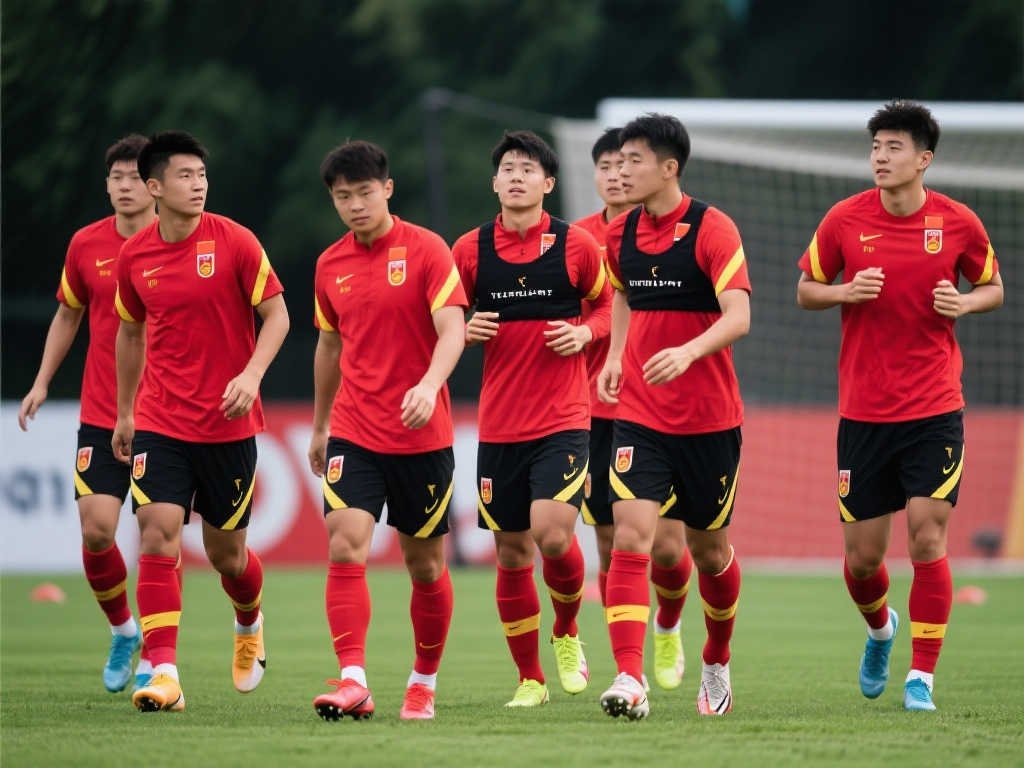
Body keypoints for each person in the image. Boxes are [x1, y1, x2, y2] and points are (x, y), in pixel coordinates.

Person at [796, 100, 1003, 712]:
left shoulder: (959, 222)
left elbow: (993, 287)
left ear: (924, 159)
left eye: (893, 148)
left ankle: (922, 678)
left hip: (935, 408)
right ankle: (881, 630)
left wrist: (965, 303)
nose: (880, 158)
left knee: (927, 537)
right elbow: (805, 289)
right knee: (862, 561)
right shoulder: (844, 218)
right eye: (876, 147)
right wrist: (844, 291)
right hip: (864, 413)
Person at [112, 131, 290, 713]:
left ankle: (249, 621)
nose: (198, 185)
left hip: (227, 425)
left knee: (226, 556)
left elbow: (278, 316)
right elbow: (130, 333)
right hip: (161, 420)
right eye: (185, 176)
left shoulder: (235, 241)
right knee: (157, 533)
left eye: (202, 175)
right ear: (155, 187)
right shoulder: (135, 256)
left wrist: (252, 375)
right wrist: (126, 411)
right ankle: (164, 671)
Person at [597, 113, 751, 719]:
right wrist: (615, 355)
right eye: (617, 161)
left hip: (710, 420)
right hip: (639, 414)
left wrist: (688, 352)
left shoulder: (713, 228)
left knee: (709, 552)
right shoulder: (619, 234)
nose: (622, 171)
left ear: (669, 168)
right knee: (630, 539)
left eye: (634, 160)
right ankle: (629, 677)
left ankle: (716, 661)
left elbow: (738, 315)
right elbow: (622, 292)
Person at [307, 140, 467, 722]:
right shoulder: (329, 264)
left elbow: (453, 329)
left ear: (388, 189)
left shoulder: (427, 250)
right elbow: (329, 347)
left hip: (422, 435)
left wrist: (428, 384)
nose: (354, 205)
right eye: (342, 197)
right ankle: (353, 680)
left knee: (424, 565)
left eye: (364, 192)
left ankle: (423, 683)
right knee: (345, 543)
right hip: (355, 429)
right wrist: (321, 425)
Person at [453, 130, 612, 708]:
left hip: (564, 418)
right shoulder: (469, 250)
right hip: (499, 424)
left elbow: (609, 308)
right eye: (508, 169)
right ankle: (531, 680)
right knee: (512, 553)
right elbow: (439, 319)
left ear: (548, 183)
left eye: (528, 169)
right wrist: (464, 329)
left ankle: (566, 630)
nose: (516, 176)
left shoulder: (576, 246)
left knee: (552, 534)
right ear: (494, 183)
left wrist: (585, 333)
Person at [17, 134, 181, 695]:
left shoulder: (180, 242)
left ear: (154, 185)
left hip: (165, 415)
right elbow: (68, 315)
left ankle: (157, 658)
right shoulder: (86, 244)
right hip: (102, 411)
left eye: (135, 177)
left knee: (159, 535)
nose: (125, 186)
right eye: (116, 177)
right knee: (96, 531)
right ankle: (124, 630)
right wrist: (41, 381)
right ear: (107, 185)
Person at [574, 127, 694, 693]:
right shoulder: (575, 239)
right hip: (593, 411)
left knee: (668, 546)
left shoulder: (675, 232)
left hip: (659, 407)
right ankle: (628, 665)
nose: (616, 175)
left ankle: (668, 625)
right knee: (612, 543)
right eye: (606, 166)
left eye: (626, 164)